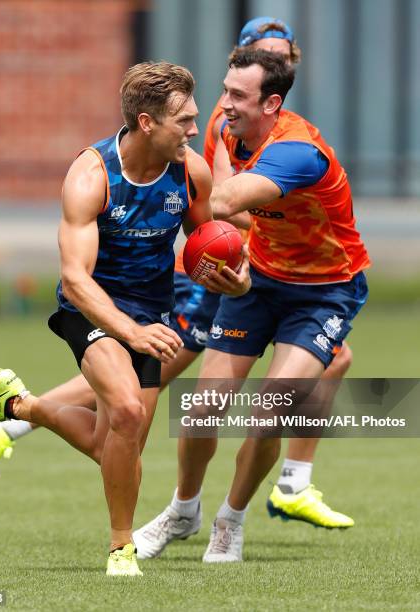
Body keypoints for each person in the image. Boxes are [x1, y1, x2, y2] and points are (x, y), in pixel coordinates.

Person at [0, 16, 355, 530]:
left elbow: (218, 215)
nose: (278, 64)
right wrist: (272, 217)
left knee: (331, 356)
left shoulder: (267, 128)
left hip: (224, 265)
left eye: (285, 58)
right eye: (267, 54)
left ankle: (291, 482)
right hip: (190, 271)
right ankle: (21, 423)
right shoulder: (220, 122)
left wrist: (255, 241)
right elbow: (220, 208)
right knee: (141, 391)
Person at [0, 60, 250, 576]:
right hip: (90, 307)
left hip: (152, 310)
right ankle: (122, 548)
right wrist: (130, 330)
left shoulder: (191, 173)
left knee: (115, 446)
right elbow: (75, 279)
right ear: (146, 122)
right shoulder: (92, 176)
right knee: (128, 413)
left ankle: (18, 404)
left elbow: (206, 248)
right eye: (183, 121)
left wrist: (234, 278)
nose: (192, 131)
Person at [132, 48, 370, 563]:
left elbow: (219, 202)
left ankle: (229, 522)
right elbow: (229, 221)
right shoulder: (226, 125)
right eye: (224, 90)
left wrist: (148, 172)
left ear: (273, 103)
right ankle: (183, 510)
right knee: (202, 408)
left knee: (269, 412)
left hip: (325, 290)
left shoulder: (297, 151)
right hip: (259, 279)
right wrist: (232, 270)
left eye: (238, 95)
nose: (224, 104)